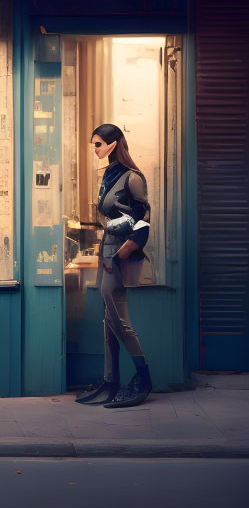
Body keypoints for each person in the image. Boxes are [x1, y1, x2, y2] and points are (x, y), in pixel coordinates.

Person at [74, 123, 153, 409]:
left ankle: (143, 378)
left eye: (98, 144)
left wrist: (118, 256)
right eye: (93, 144)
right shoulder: (108, 175)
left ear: (113, 143)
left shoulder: (133, 177)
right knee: (108, 319)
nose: (94, 149)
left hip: (117, 256)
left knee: (119, 319)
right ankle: (111, 381)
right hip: (105, 252)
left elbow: (143, 224)